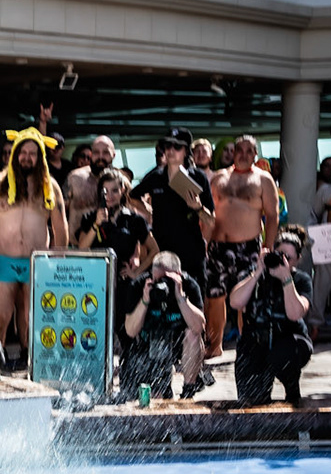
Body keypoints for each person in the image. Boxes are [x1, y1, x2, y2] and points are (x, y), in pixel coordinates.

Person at [0, 128, 69, 361]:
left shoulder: (50, 187)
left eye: (32, 154)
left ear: (40, 158)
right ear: (15, 154)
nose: (27, 158)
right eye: (23, 152)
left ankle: (32, 366)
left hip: (37, 264)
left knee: (33, 322)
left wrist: (57, 261)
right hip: (3, 262)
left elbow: (60, 228)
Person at [133, 128, 214, 344]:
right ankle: (164, 352)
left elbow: (211, 220)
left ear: (186, 151)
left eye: (177, 146)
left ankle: (194, 354)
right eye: (167, 146)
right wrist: (148, 211)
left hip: (191, 254)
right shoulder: (156, 176)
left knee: (194, 305)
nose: (170, 150)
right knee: (160, 303)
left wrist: (197, 208)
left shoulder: (198, 177)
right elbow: (132, 196)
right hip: (163, 255)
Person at [204, 134, 280, 360]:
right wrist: (204, 243)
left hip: (248, 248)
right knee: (214, 297)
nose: (244, 155)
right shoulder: (218, 177)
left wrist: (268, 247)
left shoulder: (263, 179)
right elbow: (206, 213)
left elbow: (273, 216)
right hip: (217, 246)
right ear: (234, 153)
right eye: (240, 150)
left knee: (245, 300)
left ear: (255, 154)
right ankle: (214, 346)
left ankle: (246, 347)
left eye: (249, 151)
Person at [227, 230, 313, 406]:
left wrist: (286, 279)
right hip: (255, 343)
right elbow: (235, 302)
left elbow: (295, 313)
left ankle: (292, 389)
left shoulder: (301, 280)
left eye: (288, 258)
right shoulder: (256, 274)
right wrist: (258, 271)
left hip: (287, 343)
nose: (283, 261)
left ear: (297, 259)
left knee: (286, 351)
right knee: (250, 402)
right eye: (280, 255)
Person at [76, 168, 157, 355]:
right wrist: (96, 224)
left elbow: (154, 250)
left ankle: (132, 366)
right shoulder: (90, 217)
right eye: (105, 191)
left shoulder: (134, 220)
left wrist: (137, 272)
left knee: (126, 333)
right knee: (93, 332)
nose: (110, 196)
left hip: (123, 283)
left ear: (123, 191)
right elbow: (82, 249)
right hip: (95, 283)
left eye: (114, 190)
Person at [119, 251, 204, 401]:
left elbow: (199, 327)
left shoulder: (189, 286)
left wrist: (180, 297)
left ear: (178, 274)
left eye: (167, 279)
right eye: (157, 279)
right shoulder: (140, 286)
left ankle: (189, 390)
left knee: (193, 336)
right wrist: (145, 300)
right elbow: (130, 331)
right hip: (145, 348)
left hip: (175, 346)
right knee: (148, 399)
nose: (161, 285)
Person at [64, 134, 115, 238]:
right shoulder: (75, 178)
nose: (100, 157)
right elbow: (58, 211)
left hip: (110, 244)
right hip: (76, 244)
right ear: (91, 154)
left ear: (113, 155)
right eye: (96, 152)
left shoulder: (120, 181)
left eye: (106, 152)